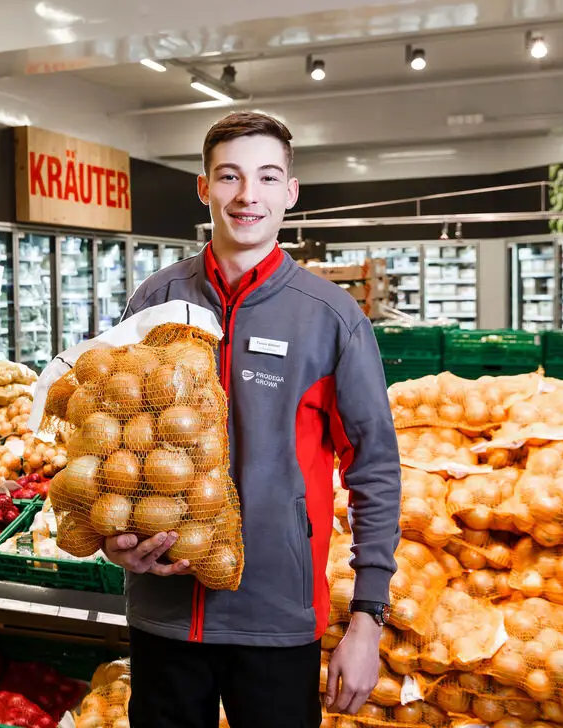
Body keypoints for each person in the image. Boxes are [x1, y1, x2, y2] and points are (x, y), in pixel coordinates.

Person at [105, 111, 402, 728]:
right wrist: (117, 543)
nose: (247, 196)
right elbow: (117, 451)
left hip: (276, 617)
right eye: (230, 177)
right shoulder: (154, 302)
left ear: (290, 192)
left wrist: (368, 619)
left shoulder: (330, 317)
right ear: (203, 187)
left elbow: (374, 468)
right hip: (164, 615)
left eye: (267, 178)